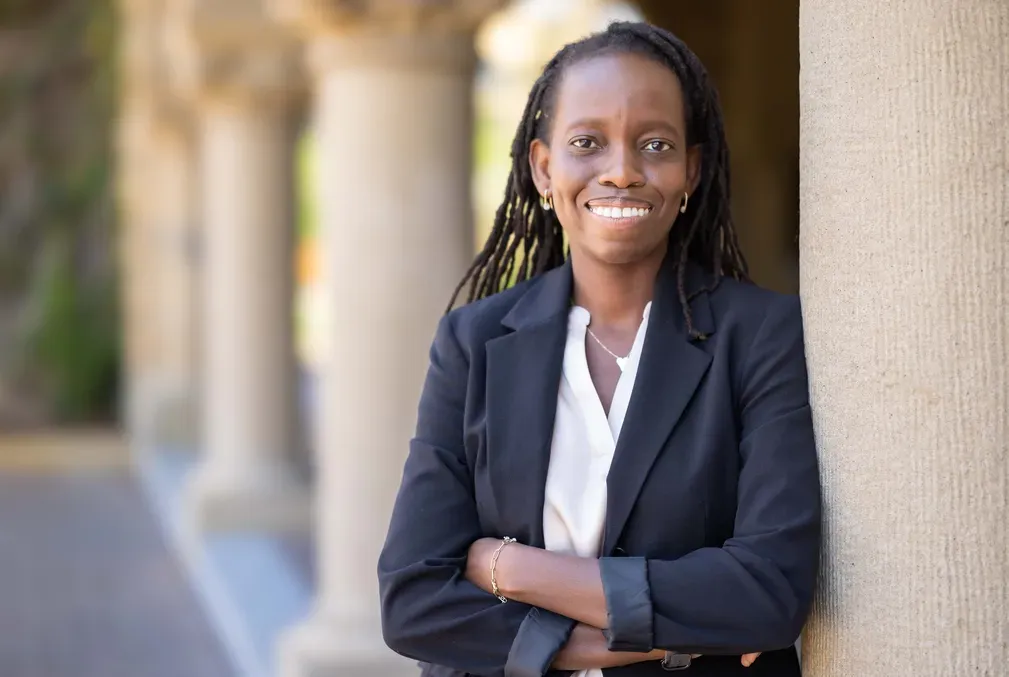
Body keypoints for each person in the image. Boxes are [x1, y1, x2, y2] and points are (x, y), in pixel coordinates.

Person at [378, 21, 820, 677]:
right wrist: (678, 638)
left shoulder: (761, 336)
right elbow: (413, 601)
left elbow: (767, 590)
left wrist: (509, 567)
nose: (621, 169)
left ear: (690, 171)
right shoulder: (473, 343)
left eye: (655, 144)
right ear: (542, 167)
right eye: (586, 142)